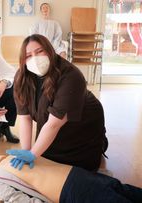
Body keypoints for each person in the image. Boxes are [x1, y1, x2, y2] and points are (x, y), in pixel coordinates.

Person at [9, 34, 107, 171]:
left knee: (77, 169)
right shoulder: (22, 77)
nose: (35, 59)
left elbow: (54, 125)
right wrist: (26, 151)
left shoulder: (71, 75)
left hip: (82, 126)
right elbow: (25, 118)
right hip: (52, 123)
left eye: (39, 51)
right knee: (45, 157)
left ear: (49, 50)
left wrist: (33, 154)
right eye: (28, 55)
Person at [0, 147, 142, 203]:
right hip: (71, 191)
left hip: (79, 175)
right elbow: (20, 201)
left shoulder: (15, 153)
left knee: (122, 190)